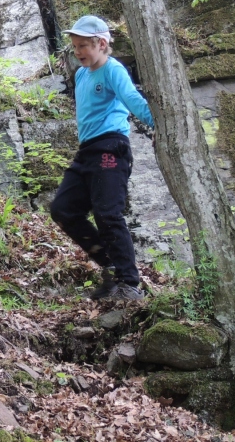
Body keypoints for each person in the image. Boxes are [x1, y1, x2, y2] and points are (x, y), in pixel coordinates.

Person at [49, 15, 154, 301]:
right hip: (87, 151)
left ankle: (129, 283)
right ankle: (110, 265)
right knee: (63, 209)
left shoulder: (113, 70)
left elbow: (134, 101)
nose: (78, 52)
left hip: (111, 148)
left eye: (84, 45)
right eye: (75, 46)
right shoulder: (82, 74)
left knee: (107, 212)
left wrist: (159, 123)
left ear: (102, 43)